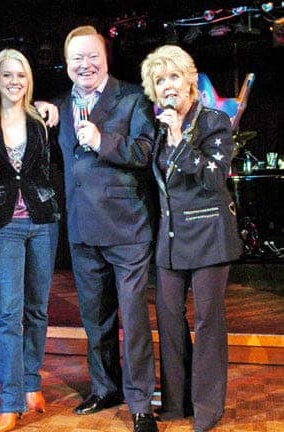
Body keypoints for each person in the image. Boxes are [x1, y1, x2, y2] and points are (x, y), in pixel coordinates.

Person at [52, 25, 158, 432]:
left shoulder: (132, 98)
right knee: (95, 319)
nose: (86, 64)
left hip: (128, 229)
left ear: (106, 57)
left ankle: (140, 403)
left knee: (133, 318)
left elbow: (146, 151)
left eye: (92, 55)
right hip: (82, 230)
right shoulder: (61, 105)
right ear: (66, 64)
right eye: (77, 58)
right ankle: (105, 388)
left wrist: (102, 141)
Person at [140, 45, 243, 432]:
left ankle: (207, 407)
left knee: (207, 321)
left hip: (209, 235)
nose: (167, 85)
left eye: (174, 76)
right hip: (171, 238)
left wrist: (179, 138)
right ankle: (176, 402)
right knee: (168, 318)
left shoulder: (214, 121)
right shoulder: (158, 127)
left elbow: (214, 178)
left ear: (189, 80)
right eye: (159, 80)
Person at [0, 48, 60, 432]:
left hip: (43, 222)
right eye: (8, 75)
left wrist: (52, 107)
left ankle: (32, 384)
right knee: (9, 314)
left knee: (38, 310)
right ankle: (9, 402)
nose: (15, 82)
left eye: (21, 75)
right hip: (5, 227)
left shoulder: (41, 119)